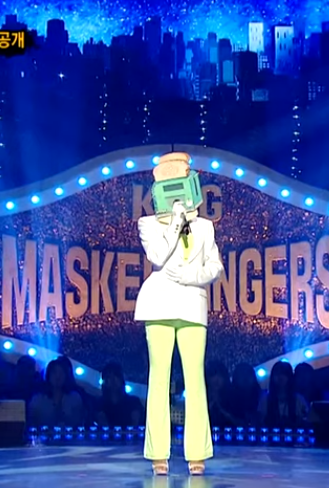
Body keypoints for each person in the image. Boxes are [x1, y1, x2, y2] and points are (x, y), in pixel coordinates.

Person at [134, 152, 224, 476]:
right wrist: (176, 221)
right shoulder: (148, 224)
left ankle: (197, 453)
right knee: (159, 378)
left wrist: (191, 276)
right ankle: (158, 453)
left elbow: (215, 266)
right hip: (158, 303)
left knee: (194, 378)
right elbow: (158, 255)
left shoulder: (205, 227)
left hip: (192, 304)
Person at [28, 359, 85, 427]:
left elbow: (79, 423)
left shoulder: (75, 398)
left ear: (66, 376)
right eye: (54, 372)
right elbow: (31, 423)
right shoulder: (37, 400)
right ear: (48, 375)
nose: (58, 376)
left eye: (61, 373)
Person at [258, 361, 309, 428]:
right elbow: (260, 421)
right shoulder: (265, 399)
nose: (280, 377)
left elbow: (306, 419)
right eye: (277, 374)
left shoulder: (299, 399)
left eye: (284, 374)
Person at [95, 362, 144, 426]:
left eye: (116, 376)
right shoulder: (99, 403)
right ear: (104, 381)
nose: (113, 380)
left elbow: (135, 424)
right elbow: (102, 423)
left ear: (121, 379)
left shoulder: (133, 402)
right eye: (108, 377)